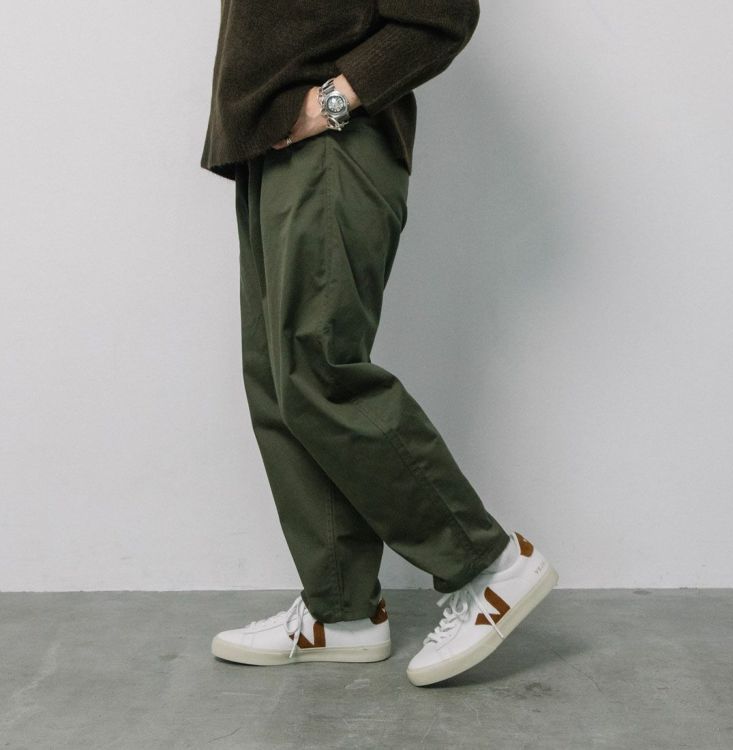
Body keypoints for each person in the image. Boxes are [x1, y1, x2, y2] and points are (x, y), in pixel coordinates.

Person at [201, 0, 558, 686]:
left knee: (319, 370)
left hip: (330, 147)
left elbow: (443, 13)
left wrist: (331, 101)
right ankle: (341, 611)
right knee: (279, 380)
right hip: (273, 150)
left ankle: (488, 564)